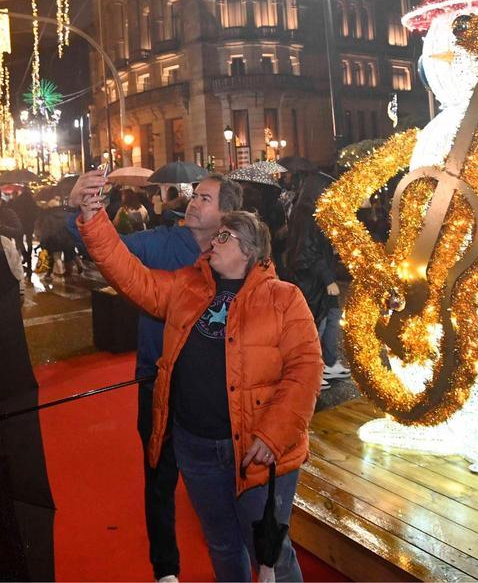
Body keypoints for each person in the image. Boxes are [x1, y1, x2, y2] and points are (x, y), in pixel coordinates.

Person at [78, 198, 322, 582]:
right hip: (196, 446)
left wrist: (273, 435)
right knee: (222, 544)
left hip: (256, 451)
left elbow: (306, 369)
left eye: (224, 235)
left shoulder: (283, 298)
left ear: (249, 249)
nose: (214, 241)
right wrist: (93, 219)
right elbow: (130, 275)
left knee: (270, 553)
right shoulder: (186, 285)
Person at [66, 170, 243, 583]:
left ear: (229, 215)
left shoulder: (238, 256)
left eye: (206, 198)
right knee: (160, 476)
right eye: (194, 195)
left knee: (222, 474)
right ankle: (166, 570)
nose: (194, 202)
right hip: (156, 377)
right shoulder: (160, 243)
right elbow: (104, 251)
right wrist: (79, 209)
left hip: (214, 385)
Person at [282, 173, 349, 390]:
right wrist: (328, 278)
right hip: (310, 281)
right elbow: (306, 252)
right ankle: (310, 371)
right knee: (312, 326)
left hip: (317, 279)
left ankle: (327, 363)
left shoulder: (312, 213)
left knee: (331, 316)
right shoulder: (306, 215)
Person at [10, 185, 40, 269]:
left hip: (20, 223)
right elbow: (36, 212)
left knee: (19, 241)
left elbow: (14, 211)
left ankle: (25, 255)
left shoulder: (18, 200)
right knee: (29, 241)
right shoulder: (32, 201)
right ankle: (28, 255)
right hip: (30, 224)